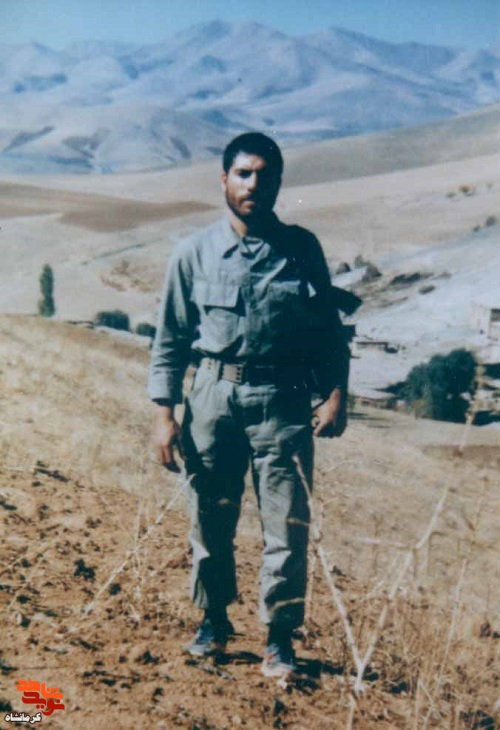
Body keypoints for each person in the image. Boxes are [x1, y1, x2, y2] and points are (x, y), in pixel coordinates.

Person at [148, 132, 350, 679]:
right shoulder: (192, 254)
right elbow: (169, 340)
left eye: (264, 175)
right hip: (212, 400)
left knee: (287, 523)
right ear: (224, 180)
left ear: (279, 183)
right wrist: (164, 413)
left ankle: (280, 638)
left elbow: (329, 330)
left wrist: (335, 392)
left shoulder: (302, 249)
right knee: (211, 516)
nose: (253, 185)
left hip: (283, 403)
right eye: (243, 174)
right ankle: (213, 621)